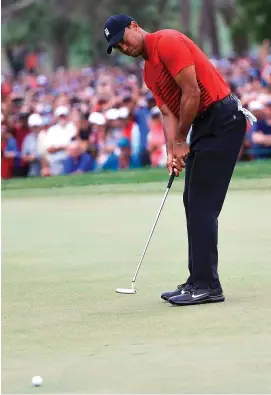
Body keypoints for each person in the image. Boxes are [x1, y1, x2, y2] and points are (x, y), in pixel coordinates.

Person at [103, 14, 256, 306]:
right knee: (192, 200)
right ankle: (197, 280)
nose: (123, 46)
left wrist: (180, 141)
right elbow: (168, 112)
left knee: (202, 203)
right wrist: (171, 151)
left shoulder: (168, 41)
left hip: (222, 119)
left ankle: (208, 286)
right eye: (117, 46)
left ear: (135, 26)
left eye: (123, 38)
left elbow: (192, 93)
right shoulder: (149, 72)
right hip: (202, 126)